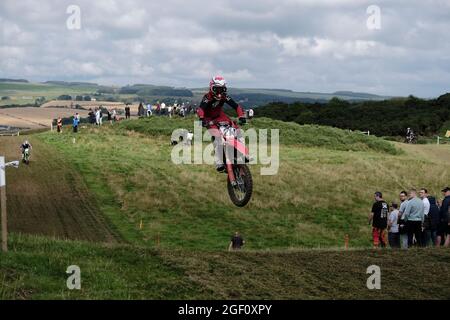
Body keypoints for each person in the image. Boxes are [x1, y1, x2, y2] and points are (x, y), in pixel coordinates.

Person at [197, 75, 247, 172]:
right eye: (216, 89)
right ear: (211, 88)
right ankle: (219, 163)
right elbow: (201, 109)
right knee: (218, 137)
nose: (219, 93)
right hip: (209, 119)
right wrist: (201, 118)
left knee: (238, 131)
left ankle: (243, 153)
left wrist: (241, 116)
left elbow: (236, 106)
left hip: (220, 116)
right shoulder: (207, 97)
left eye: (222, 90)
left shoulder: (224, 96)